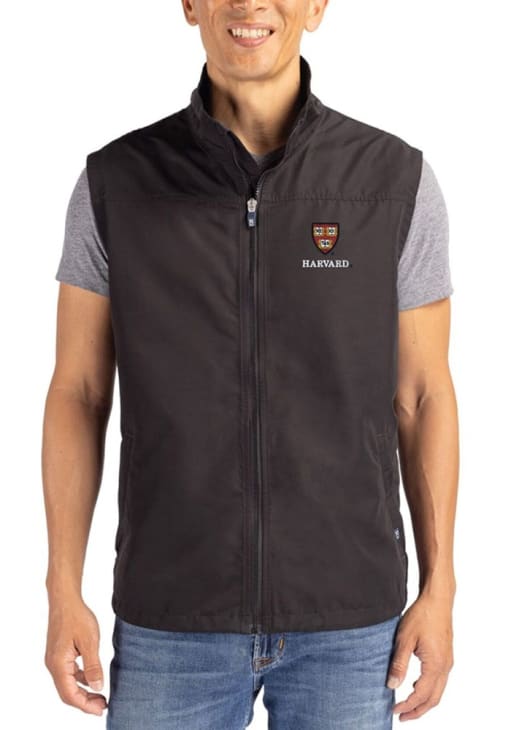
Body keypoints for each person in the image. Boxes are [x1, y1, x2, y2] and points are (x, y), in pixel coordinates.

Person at [42, 1, 458, 727]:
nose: (249, 3)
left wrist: (440, 587)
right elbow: (78, 392)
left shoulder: (394, 182)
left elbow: (423, 396)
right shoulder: (116, 185)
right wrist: (61, 588)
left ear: (317, 6)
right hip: (171, 618)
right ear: (190, 6)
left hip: (350, 624)